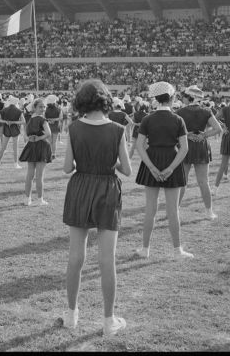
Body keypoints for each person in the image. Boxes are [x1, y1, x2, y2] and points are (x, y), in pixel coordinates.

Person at [62, 79, 132, 337]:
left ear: (82, 101)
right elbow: (127, 169)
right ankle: (108, 320)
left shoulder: (73, 128)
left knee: (75, 257)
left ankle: (71, 315)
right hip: (107, 190)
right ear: (105, 101)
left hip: (80, 187)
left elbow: (68, 168)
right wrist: (108, 163)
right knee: (107, 259)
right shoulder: (117, 129)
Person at [135, 81, 192, 260]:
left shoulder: (147, 119)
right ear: (172, 97)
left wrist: (151, 167)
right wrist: (171, 168)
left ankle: (145, 249)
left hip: (151, 160)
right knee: (173, 210)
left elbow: (139, 145)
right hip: (172, 160)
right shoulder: (178, 120)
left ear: (155, 99)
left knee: (150, 209)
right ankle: (177, 250)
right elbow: (184, 148)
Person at [176, 86, 221, 219]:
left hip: (185, 145)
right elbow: (218, 129)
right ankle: (209, 212)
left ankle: (175, 210)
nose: (182, 97)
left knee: (182, 181)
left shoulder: (180, 111)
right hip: (201, 146)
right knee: (203, 182)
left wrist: (187, 134)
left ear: (190, 97)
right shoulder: (206, 111)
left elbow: (174, 132)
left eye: (184, 96)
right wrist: (204, 135)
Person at [19, 98, 52, 206]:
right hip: (41, 145)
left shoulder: (29, 119)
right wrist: (38, 138)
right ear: (35, 107)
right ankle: (40, 199)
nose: (43, 109)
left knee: (30, 175)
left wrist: (30, 138)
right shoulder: (42, 120)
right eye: (40, 107)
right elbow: (48, 133)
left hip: (32, 146)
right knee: (38, 175)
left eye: (44, 107)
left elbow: (24, 133)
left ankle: (27, 199)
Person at [0, 96, 25, 169]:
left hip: (7, 129)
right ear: (16, 103)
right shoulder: (19, 111)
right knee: (15, 147)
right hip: (15, 129)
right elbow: (23, 121)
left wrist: (5, 121)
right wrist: (14, 122)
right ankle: (16, 164)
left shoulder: (4, 110)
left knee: (3, 147)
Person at [44, 94, 62, 160]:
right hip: (56, 126)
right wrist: (54, 120)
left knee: (49, 142)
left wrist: (49, 120)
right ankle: (53, 154)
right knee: (54, 142)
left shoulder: (46, 109)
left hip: (48, 126)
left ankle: (49, 153)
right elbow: (61, 118)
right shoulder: (58, 108)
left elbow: (44, 117)